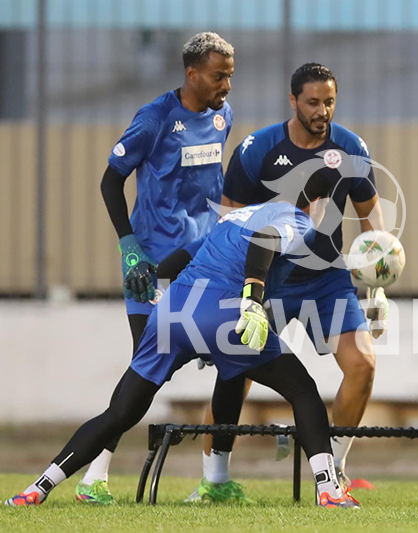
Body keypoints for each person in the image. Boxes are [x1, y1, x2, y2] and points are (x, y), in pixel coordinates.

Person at [6, 174, 359, 509]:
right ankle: (329, 490)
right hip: (223, 311)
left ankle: (37, 488)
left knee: (120, 413)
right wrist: (252, 298)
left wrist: (151, 274)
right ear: (320, 200)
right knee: (302, 390)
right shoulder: (297, 219)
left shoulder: (236, 216)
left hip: (172, 313)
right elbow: (266, 238)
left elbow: (187, 255)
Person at [187, 63, 388, 503]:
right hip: (268, 279)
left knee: (363, 365)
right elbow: (229, 222)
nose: (323, 110)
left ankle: (333, 470)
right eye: (313, 102)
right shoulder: (258, 148)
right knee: (235, 371)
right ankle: (214, 480)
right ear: (293, 100)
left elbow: (373, 222)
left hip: (326, 279)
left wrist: (377, 286)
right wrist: (221, 300)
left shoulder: (350, 148)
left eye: (330, 101)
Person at [80, 32, 234, 504]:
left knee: (235, 363)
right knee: (144, 374)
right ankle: (94, 477)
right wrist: (129, 247)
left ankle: (217, 481)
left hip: (204, 264)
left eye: (230, 75)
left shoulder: (224, 116)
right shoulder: (155, 118)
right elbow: (111, 181)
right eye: (218, 75)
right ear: (191, 73)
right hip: (152, 269)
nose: (227, 85)